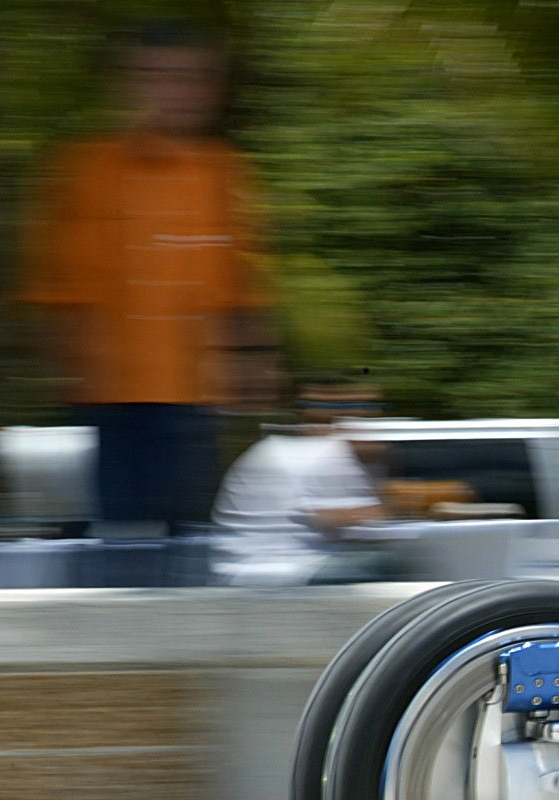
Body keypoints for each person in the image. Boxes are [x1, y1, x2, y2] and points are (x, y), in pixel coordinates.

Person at [22, 22, 279, 539]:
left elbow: (242, 289)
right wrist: (68, 372)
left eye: (194, 79)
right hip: (110, 405)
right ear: (128, 84)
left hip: (196, 402)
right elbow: (55, 291)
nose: (178, 93)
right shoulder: (84, 170)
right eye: (159, 77)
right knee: (121, 546)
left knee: (191, 543)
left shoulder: (223, 173)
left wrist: (257, 365)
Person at [210, 374, 395, 586]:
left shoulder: (272, 448)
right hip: (287, 571)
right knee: (387, 563)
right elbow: (333, 518)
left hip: (243, 569)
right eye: (365, 407)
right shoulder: (327, 451)